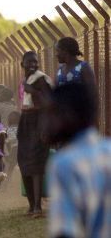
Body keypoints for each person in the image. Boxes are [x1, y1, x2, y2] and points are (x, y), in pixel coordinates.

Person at [45, 83, 108, 238]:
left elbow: (65, 231)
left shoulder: (64, 163)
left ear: (68, 115)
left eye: (51, 113)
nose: (46, 121)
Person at [18, 51, 52, 218]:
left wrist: (33, 91)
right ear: (22, 64)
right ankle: (31, 206)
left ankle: (38, 207)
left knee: (36, 166)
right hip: (26, 122)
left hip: (38, 123)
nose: (33, 65)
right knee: (24, 163)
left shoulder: (41, 79)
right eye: (29, 62)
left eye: (35, 62)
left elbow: (49, 103)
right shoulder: (26, 80)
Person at [4, 111, 20, 188]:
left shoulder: (7, 130)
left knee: (10, 169)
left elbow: (6, 142)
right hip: (21, 150)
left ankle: (6, 184)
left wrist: (7, 154)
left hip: (12, 151)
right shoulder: (21, 128)